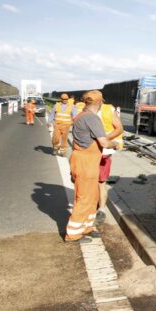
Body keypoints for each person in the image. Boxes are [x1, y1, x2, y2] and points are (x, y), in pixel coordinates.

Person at [64, 90, 119, 243]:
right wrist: (115, 144)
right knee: (84, 199)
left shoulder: (81, 115)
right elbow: (104, 142)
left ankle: (86, 227)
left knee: (92, 196)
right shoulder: (92, 118)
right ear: (100, 103)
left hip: (85, 161)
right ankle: (73, 234)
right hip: (86, 162)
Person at [95, 102, 124, 225]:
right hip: (94, 151)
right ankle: (97, 207)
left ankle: (100, 209)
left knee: (101, 181)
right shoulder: (87, 111)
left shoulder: (108, 109)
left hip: (105, 151)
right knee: (95, 181)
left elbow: (119, 128)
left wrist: (106, 140)